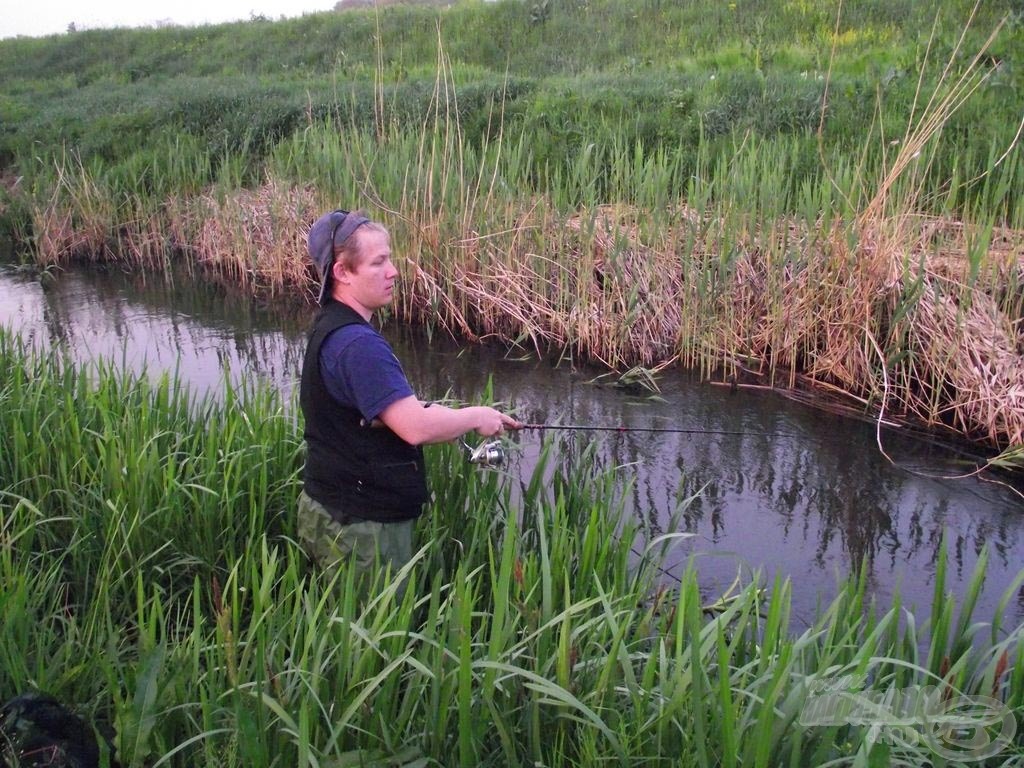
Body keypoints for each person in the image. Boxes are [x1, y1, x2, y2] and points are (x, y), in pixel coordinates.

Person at [298, 208, 521, 587]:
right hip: (363, 529)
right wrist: (476, 415)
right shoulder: (358, 345)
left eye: (390, 258)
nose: (394, 271)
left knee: (338, 632)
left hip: (327, 508)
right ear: (342, 273)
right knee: (375, 638)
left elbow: (368, 412)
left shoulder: (329, 326)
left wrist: (427, 413)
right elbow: (414, 428)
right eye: (378, 262)